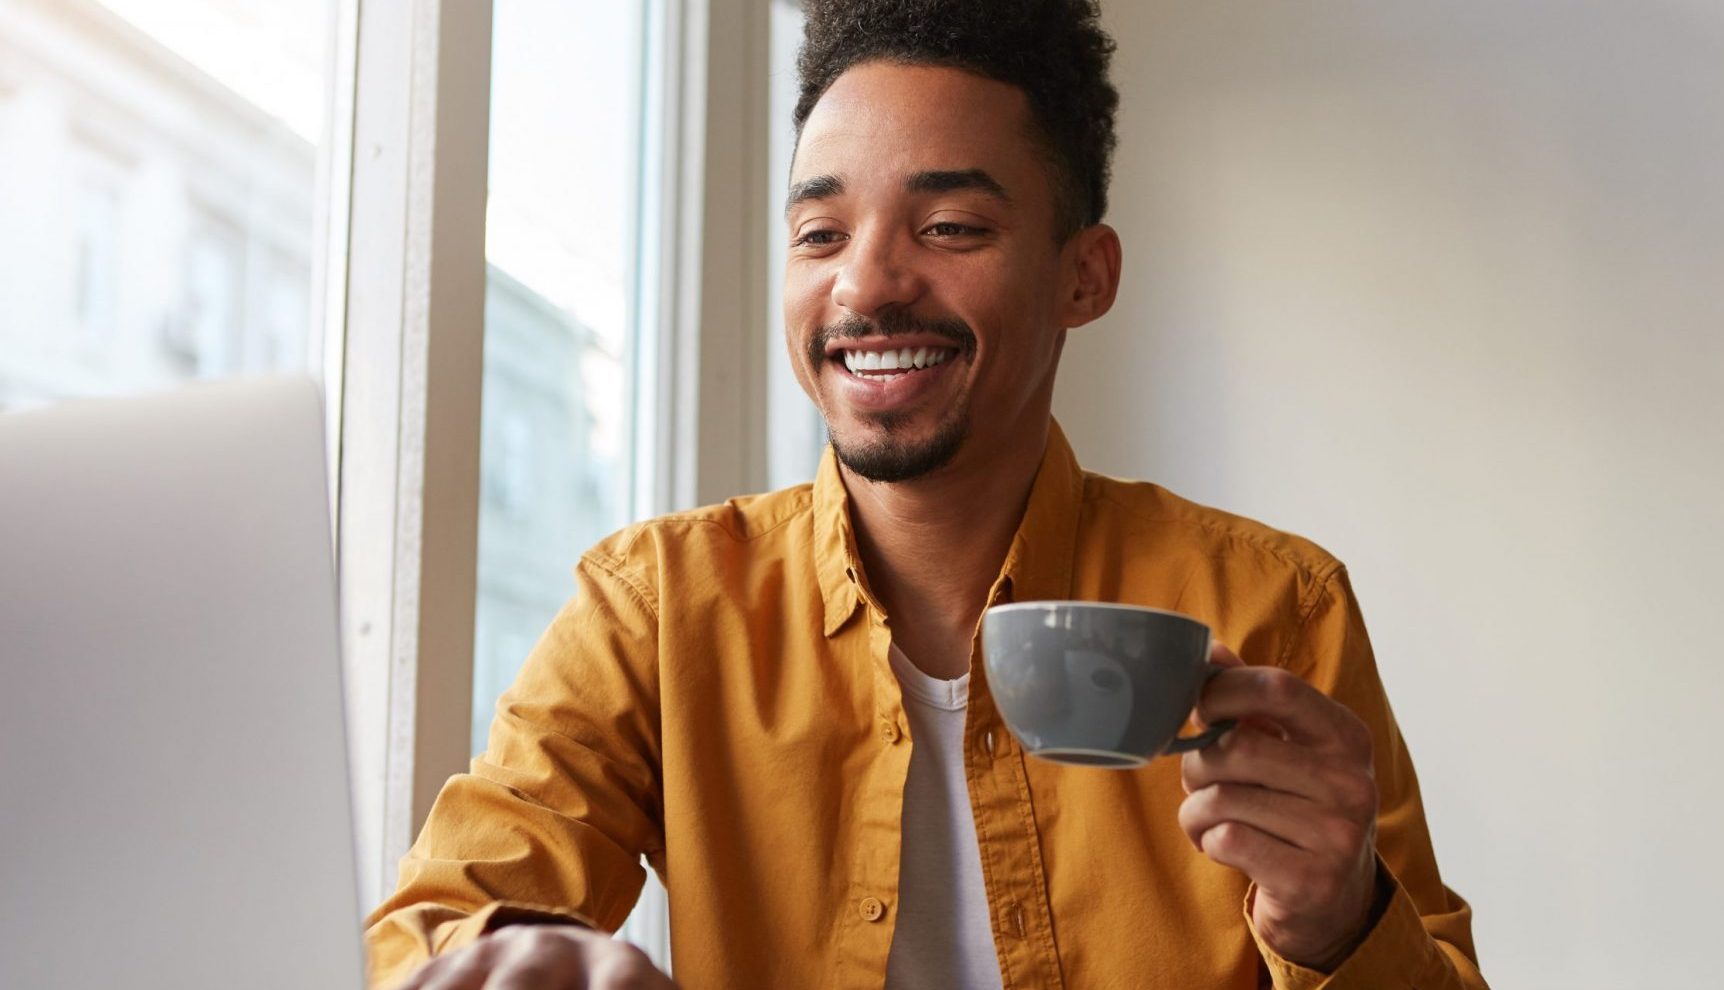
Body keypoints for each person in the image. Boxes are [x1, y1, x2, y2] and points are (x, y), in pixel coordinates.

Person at [366, 1, 1487, 987]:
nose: (866, 283)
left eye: (950, 227)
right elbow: (429, 926)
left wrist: (1341, 921)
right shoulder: (657, 609)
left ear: (1081, 276)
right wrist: (509, 956)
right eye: (821, 233)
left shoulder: (1273, 608)